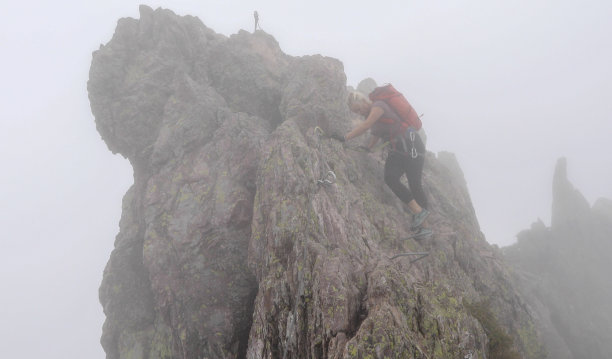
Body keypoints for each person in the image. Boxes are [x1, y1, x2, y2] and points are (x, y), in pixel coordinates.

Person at [341, 91, 429, 229]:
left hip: (412, 145)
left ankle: (424, 226)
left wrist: (344, 138)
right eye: (356, 112)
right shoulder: (371, 115)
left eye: (358, 109)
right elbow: (375, 134)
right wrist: (368, 147)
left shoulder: (378, 106)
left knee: (414, 183)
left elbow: (365, 126)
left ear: (363, 101)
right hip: (398, 150)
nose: (359, 113)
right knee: (390, 177)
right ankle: (419, 213)